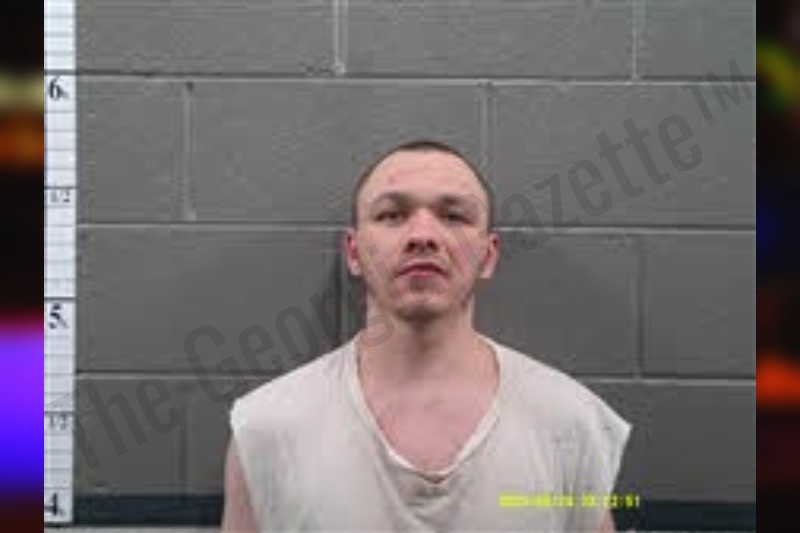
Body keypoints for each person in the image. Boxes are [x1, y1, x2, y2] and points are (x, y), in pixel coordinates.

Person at [221, 140, 631, 532]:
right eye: (392, 215)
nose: (423, 235)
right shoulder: (268, 430)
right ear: (353, 252)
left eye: (453, 216)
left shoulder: (571, 425)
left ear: (488, 256)